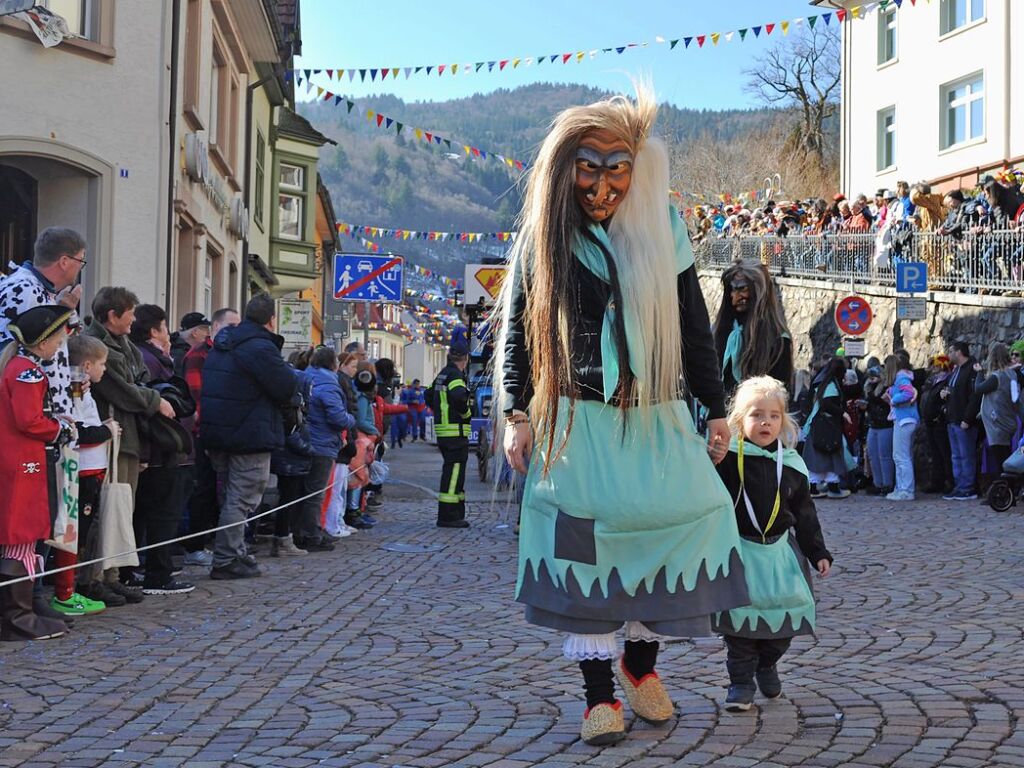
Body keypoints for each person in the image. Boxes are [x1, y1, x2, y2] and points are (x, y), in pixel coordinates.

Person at [497, 87, 750, 746]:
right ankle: (598, 695)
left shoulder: (664, 230)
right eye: (589, 165)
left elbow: (695, 325)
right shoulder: (542, 238)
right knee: (584, 552)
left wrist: (716, 409)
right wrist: (514, 411)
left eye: (618, 167)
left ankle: (641, 667)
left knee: (686, 525)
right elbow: (518, 335)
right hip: (576, 428)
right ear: (564, 166)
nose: (603, 183)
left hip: (654, 421)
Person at [712, 376, 832, 711]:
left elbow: (805, 512)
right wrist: (711, 459)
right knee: (740, 627)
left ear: (784, 420)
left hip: (780, 553)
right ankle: (740, 683)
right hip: (741, 552)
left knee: (783, 622)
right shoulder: (728, 463)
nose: (766, 422)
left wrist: (818, 551)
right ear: (739, 420)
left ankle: (767, 663)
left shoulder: (792, 464)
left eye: (773, 415)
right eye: (756, 415)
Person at [84, 287, 173, 605]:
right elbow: (124, 391)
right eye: (130, 313)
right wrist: (154, 399)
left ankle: (113, 574)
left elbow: (140, 378)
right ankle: (94, 578)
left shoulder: (124, 345)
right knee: (105, 508)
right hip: (111, 435)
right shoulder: (94, 345)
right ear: (112, 315)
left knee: (122, 508)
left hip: (129, 437)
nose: (134, 319)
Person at [200, 293, 299, 580]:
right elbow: (285, 386)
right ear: (271, 320)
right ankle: (227, 558)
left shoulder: (223, 344)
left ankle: (233, 551)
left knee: (230, 496)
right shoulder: (259, 347)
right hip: (248, 434)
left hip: (218, 430)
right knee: (242, 498)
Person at [0, 305, 76, 641]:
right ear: (42, 341)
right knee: (20, 538)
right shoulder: (26, 371)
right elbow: (29, 420)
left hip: (16, 460)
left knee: (18, 537)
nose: (60, 345)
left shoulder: (18, 366)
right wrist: (59, 427)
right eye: (58, 338)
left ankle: (19, 614)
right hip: (23, 462)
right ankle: (18, 618)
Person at [129, 304, 196, 595]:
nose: (169, 334)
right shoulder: (150, 359)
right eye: (165, 328)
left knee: (151, 514)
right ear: (155, 330)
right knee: (160, 515)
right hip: (161, 448)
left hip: (163, 448)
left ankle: (148, 568)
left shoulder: (155, 357)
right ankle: (157, 573)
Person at [50, 334, 116, 617]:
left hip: (91, 469)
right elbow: (78, 434)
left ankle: (70, 588)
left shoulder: (82, 387)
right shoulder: (73, 387)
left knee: (82, 533)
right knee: (73, 533)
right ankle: (64, 592)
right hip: (80, 469)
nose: (105, 369)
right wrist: (108, 431)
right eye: (102, 363)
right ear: (87, 366)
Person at [0, 227, 88, 421]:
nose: (81, 267)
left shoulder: (35, 290)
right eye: (81, 260)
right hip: (31, 421)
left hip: (43, 417)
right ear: (64, 262)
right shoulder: (25, 290)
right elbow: (20, 357)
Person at [181, 308, 240, 566]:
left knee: (223, 489)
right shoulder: (199, 354)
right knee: (202, 489)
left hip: (225, 430)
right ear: (215, 327)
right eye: (230, 325)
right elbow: (197, 398)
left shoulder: (233, 353)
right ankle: (195, 545)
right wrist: (208, 429)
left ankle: (214, 541)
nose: (235, 331)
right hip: (203, 431)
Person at [295, 346, 354, 553]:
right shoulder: (329, 383)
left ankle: (304, 531)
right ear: (334, 364)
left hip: (305, 439)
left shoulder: (306, 377)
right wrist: (350, 419)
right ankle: (311, 534)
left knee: (305, 491)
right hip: (322, 443)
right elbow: (337, 418)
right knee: (316, 492)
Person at [713, 260, 793, 396]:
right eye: (732, 289)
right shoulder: (722, 330)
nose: (734, 297)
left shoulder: (778, 339)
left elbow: (778, 393)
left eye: (742, 288)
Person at [432, 343, 472, 529]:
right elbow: (459, 397)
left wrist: (441, 412)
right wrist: (466, 415)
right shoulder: (456, 375)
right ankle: (449, 516)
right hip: (455, 431)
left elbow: (428, 395)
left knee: (453, 472)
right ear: (465, 359)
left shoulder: (442, 374)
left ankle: (456, 512)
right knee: (454, 474)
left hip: (444, 430)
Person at [971, 343, 1018, 497]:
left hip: (997, 424)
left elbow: (978, 388)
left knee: (1001, 461)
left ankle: (1004, 493)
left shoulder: (997, 377)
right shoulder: (1011, 375)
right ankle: (1007, 492)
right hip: (1007, 421)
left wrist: (979, 373)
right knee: (1004, 457)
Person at [801, 357, 852, 499]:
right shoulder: (831, 385)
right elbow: (827, 404)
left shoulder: (821, 381)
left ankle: (815, 488)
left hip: (817, 424)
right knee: (830, 455)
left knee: (818, 457)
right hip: (827, 426)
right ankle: (832, 488)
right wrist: (843, 413)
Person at [941, 341, 978, 501]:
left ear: (959, 352)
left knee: (966, 455)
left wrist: (967, 418)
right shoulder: (956, 371)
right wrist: (944, 393)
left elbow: (975, 396)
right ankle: (959, 486)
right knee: (956, 456)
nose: (949, 354)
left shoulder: (972, 369)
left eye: (951, 351)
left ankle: (968, 487)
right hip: (952, 419)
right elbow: (953, 390)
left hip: (964, 421)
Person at [919, 354, 954, 494]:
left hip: (939, 421)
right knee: (934, 453)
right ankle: (936, 481)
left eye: (937, 365)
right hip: (930, 421)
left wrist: (940, 412)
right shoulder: (933, 381)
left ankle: (949, 481)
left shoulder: (947, 380)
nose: (934, 368)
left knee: (944, 453)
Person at [887, 359, 920, 501]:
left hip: (904, 420)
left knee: (901, 457)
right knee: (900, 456)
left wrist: (894, 399)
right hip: (903, 419)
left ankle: (906, 490)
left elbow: (908, 393)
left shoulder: (901, 378)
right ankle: (901, 488)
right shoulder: (901, 378)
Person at [863, 361, 895, 496]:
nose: (872, 380)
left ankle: (888, 484)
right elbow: (872, 403)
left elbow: (882, 401)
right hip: (873, 424)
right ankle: (878, 483)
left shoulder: (885, 388)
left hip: (885, 425)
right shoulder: (869, 388)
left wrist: (870, 396)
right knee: (873, 455)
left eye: (874, 377)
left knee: (885, 456)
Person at [170, 312, 211, 376]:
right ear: (194, 333)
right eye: (205, 329)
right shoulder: (182, 355)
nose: (209, 334)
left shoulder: (177, 349)